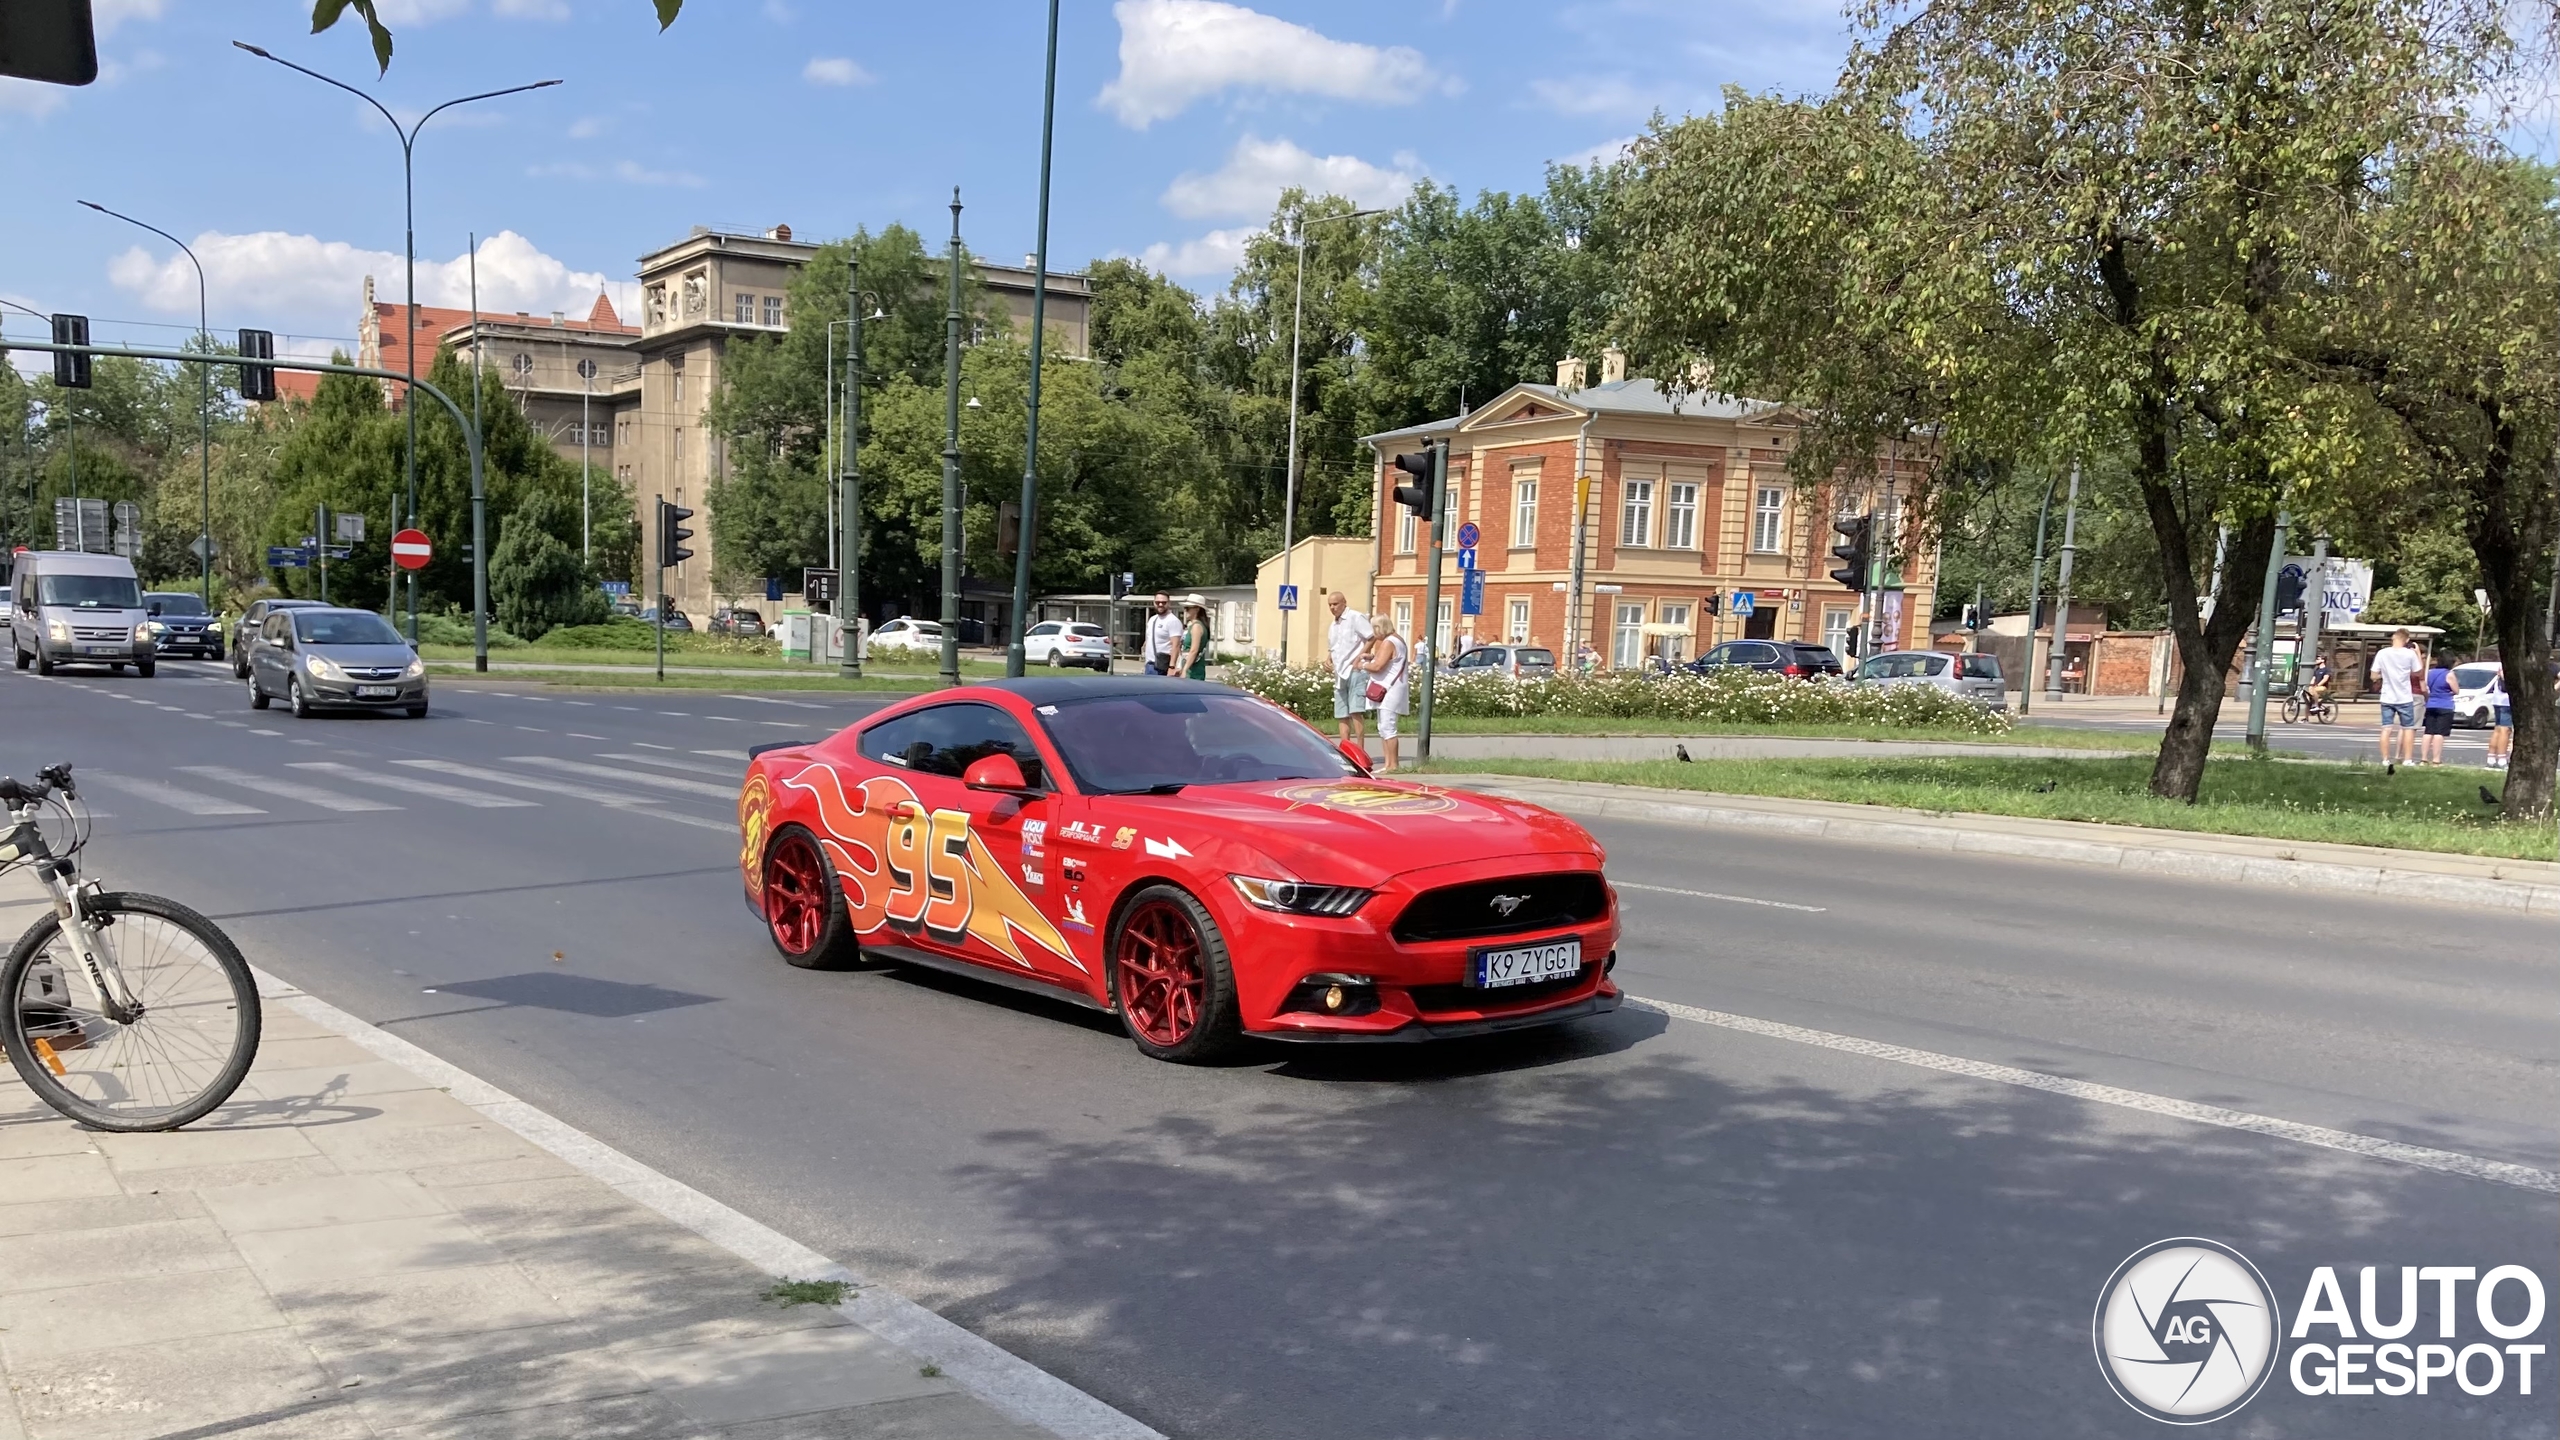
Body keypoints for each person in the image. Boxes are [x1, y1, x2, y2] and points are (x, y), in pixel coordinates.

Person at [1325, 589, 1374, 749]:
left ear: (1344, 603)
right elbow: (1334, 648)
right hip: (1339, 672)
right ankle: (1346, 748)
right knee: (1341, 712)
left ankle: (1360, 748)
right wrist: (1328, 660)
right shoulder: (1333, 625)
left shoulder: (1355, 617)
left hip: (1355, 670)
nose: (1333, 607)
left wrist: (1359, 657)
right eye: (1330, 605)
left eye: (1335, 604)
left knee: (1355, 710)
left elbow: (1371, 637)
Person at [2369, 628, 2422, 774]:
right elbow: (2418, 672)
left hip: (2387, 696)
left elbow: (2373, 675)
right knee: (2408, 728)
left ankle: (2385, 759)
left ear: (2393, 638)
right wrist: (2417, 653)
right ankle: (2408, 759)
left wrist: (2384, 677)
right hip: (2404, 696)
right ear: (2406, 640)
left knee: (2386, 728)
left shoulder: (2382, 653)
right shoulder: (2410, 653)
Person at [1364, 616, 1412, 772]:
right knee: (1384, 726)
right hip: (1394, 688)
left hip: (1389, 690)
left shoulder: (1389, 642)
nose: (1373, 634)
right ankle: (1388, 764)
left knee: (1387, 726)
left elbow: (1378, 666)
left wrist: (1363, 664)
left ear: (1379, 628)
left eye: (1374, 629)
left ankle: (1392, 765)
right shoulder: (1398, 640)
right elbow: (1389, 660)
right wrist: (1372, 657)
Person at [2420, 653, 2456, 765]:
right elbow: (2456, 690)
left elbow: (2426, 687)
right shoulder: (2449, 674)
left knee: (2428, 732)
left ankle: (2423, 759)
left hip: (2431, 704)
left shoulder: (2430, 673)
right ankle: (2436, 759)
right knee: (2439, 733)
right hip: (2445, 705)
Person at [1174, 594, 1213, 681]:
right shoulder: (1193, 625)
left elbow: (1194, 651)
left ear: (1197, 609)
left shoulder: (1197, 627)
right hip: (1190, 667)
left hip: (1193, 671)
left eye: (1188, 608)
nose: (1185, 610)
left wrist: (1185, 670)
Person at [1142, 592, 1182, 676]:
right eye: (1157, 602)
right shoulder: (1152, 619)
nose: (1160, 604)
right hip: (1149, 664)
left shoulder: (1172, 621)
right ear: (1154, 603)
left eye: (1164, 602)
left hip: (1162, 666)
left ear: (1169, 603)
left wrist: (1172, 667)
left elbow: (1176, 645)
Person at [2488, 667, 2514, 769]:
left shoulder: (2502, 666)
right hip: (2506, 702)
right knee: (2505, 730)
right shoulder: (2511, 666)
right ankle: (2502, 759)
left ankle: (2491, 758)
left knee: (2498, 729)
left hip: (2498, 701)